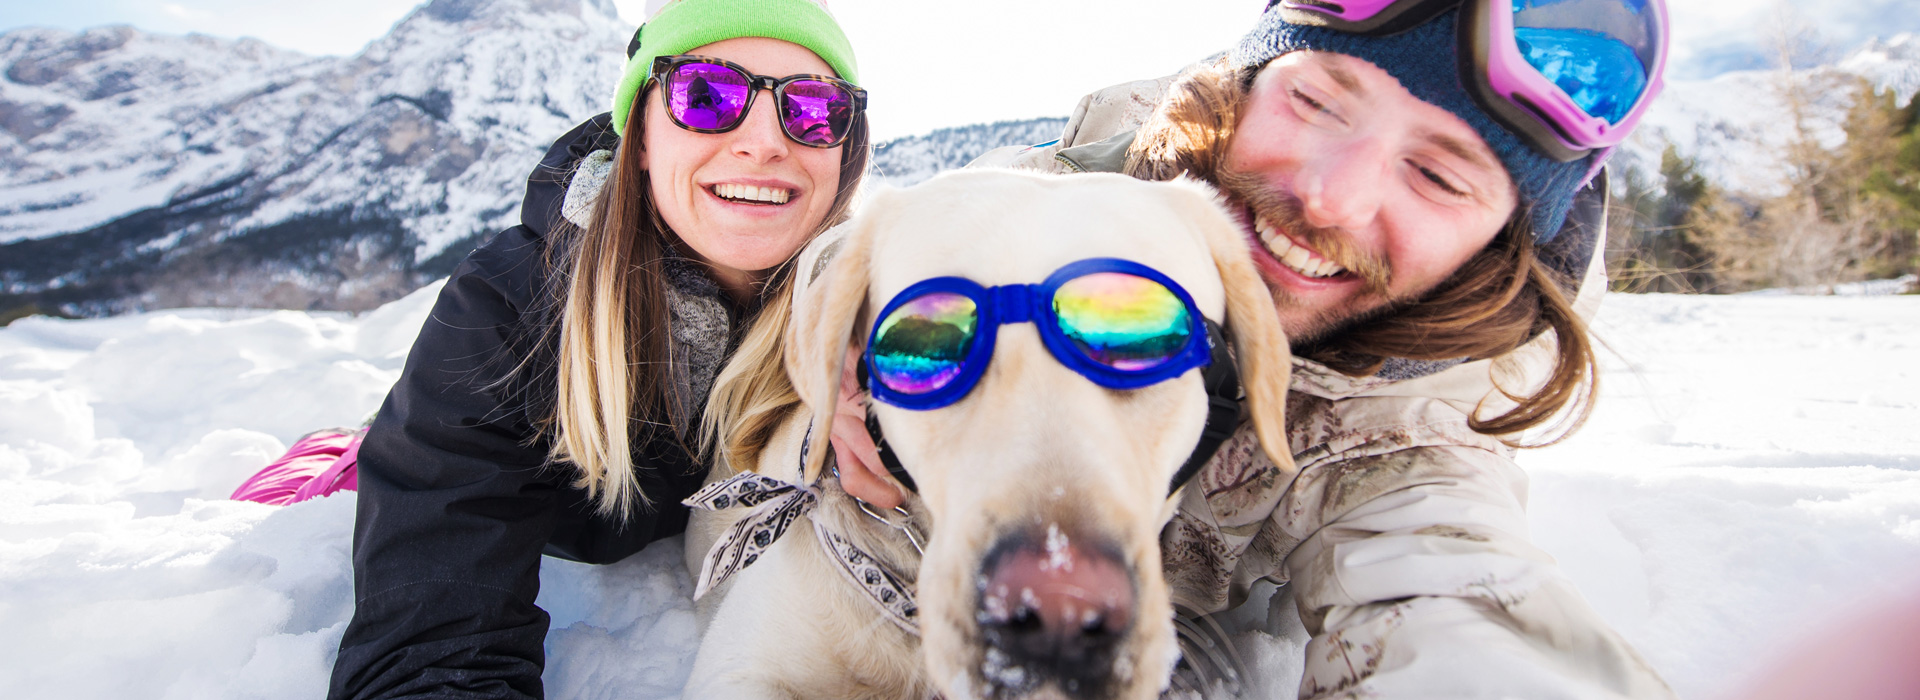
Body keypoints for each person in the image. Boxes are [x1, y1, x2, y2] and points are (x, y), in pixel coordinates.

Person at [816, 0, 1679, 696]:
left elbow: (1454, 601)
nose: (1330, 198)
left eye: (1439, 176)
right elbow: (884, 240)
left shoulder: (1409, 436)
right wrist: (842, 338)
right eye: (1316, 100)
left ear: (1502, 238)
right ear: (1250, 86)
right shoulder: (1098, 186)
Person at [324, 0, 869, 697]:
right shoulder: (510, 308)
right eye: (706, 96)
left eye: (814, 109)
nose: (764, 141)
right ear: (640, 135)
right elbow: (434, 643)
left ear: (845, 146)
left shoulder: (878, 312)